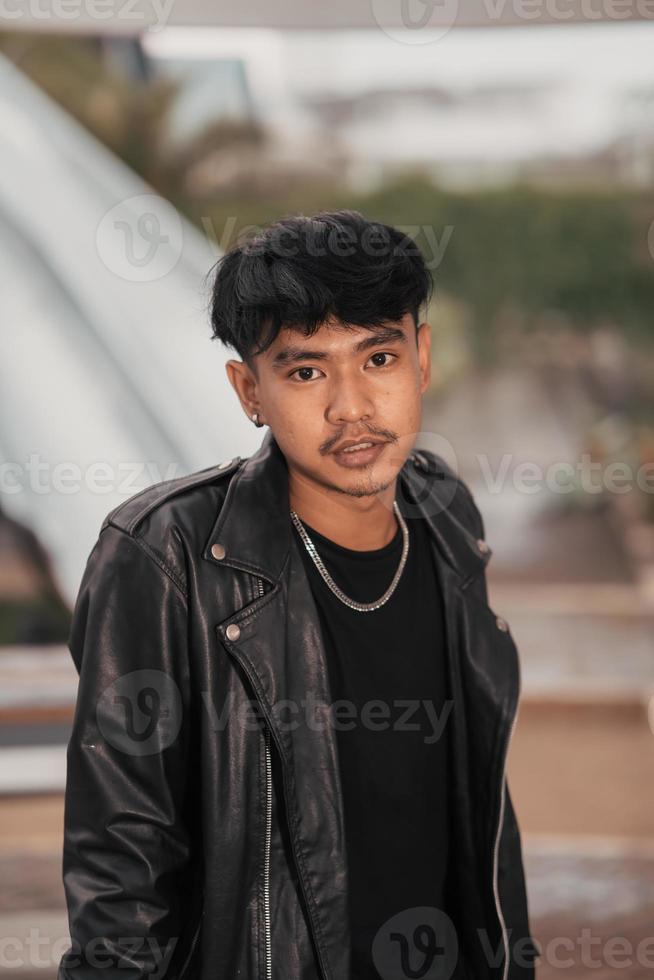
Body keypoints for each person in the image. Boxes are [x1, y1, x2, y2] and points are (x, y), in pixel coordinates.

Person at [58, 210, 538, 980]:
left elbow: (480, 813)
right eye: (306, 371)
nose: (351, 407)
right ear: (250, 390)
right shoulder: (164, 554)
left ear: (422, 357)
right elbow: (122, 865)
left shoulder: (446, 516)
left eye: (378, 357)